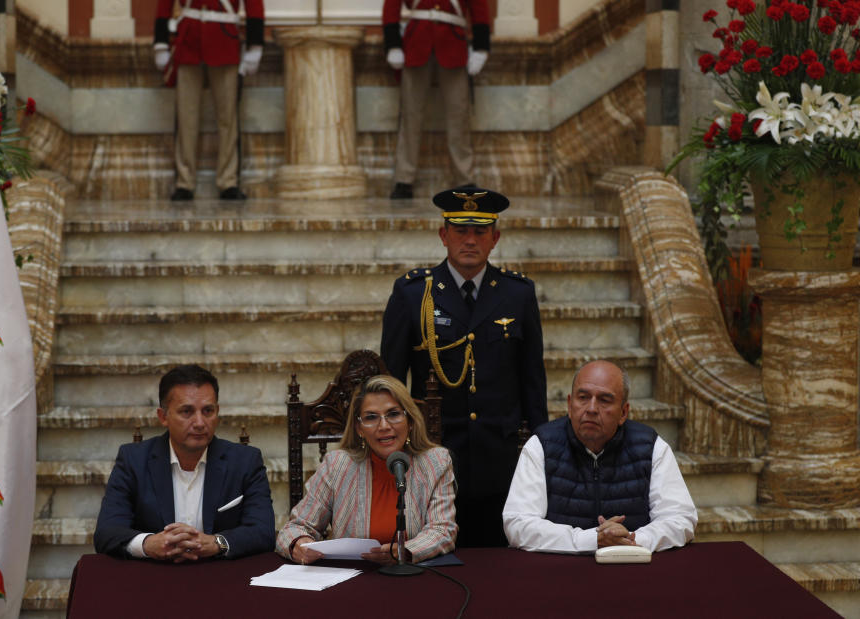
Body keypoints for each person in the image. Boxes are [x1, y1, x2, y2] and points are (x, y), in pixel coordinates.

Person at [380, 186, 547, 547]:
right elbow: (391, 384)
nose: (470, 240)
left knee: (500, 564)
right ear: (444, 235)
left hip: (500, 460)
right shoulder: (413, 293)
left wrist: (540, 450)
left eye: (480, 231)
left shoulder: (517, 293)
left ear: (495, 238)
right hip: (434, 455)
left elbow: (532, 381)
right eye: (460, 231)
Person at [502, 360, 698, 553]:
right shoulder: (541, 445)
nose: (592, 409)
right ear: (570, 405)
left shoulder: (650, 446)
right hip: (563, 573)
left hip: (632, 569)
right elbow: (518, 524)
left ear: (623, 412)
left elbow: (681, 518)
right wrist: (592, 539)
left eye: (604, 400)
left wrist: (632, 539)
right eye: (583, 397)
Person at [94, 364, 275, 560]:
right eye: (187, 412)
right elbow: (106, 532)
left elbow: (263, 532)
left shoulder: (245, 461)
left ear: (218, 412)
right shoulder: (133, 460)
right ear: (163, 417)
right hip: (154, 577)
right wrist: (148, 544)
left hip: (220, 576)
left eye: (208, 411)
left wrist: (217, 543)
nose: (199, 422)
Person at [276, 375, 457, 565]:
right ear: (359, 428)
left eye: (394, 414)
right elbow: (295, 527)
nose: (384, 426)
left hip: (411, 576)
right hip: (351, 579)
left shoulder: (436, 463)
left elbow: (443, 530)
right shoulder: (337, 466)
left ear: (410, 421)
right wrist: (299, 543)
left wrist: (407, 551)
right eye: (371, 417)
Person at [153, 0, 264, 201]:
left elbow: (254, 3)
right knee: (186, 117)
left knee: (227, 117)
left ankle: (228, 181)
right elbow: (164, 3)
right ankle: (184, 182)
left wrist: (255, 44)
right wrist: (160, 42)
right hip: (188, 40)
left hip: (224, 38)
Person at [382, 0, 490, 199]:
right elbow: (392, 6)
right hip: (416, 43)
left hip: (453, 43)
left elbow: (479, 6)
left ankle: (464, 178)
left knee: (459, 115)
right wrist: (393, 44)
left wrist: (481, 46)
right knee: (410, 116)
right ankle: (404, 179)